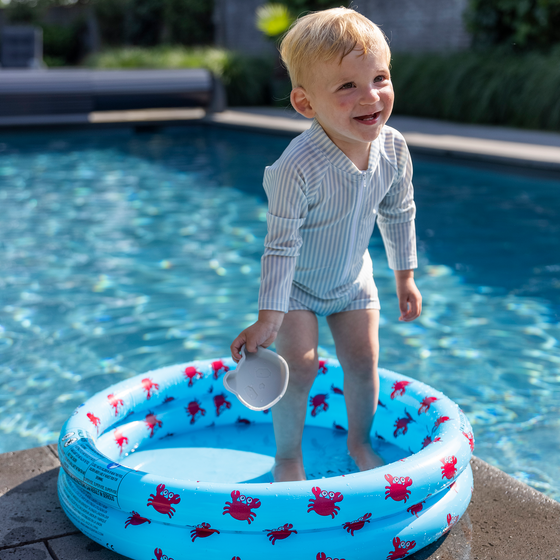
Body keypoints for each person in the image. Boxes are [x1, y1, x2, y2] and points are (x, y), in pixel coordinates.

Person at [230, 7, 422, 483]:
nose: (370, 96)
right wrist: (269, 319)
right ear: (305, 103)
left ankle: (360, 441)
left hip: (352, 280)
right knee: (299, 366)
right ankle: (288, 458)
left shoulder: (393, 148)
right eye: (347, 87)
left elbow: (398, 212)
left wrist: (405, 276)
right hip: (296, 288)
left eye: (379, 77)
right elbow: (280, 245)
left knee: (363, 360)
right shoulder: (297, 166)